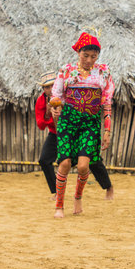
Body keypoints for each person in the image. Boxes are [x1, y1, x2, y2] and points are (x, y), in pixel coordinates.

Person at [50, 32, 114, 219]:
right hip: (68, 121)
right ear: (78, 52)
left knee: (84, 166)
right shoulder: (66, 70)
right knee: (65, 163)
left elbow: (107, 102)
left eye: (93, 56)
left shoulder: (103, 72)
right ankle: (59, 205)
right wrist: (55, 107)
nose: (89, 60)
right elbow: (56, 95)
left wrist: (107, 129)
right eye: (85, 55)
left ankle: (78, 196)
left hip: (90, 122)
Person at [36, 72, 114, 200]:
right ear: (43, 89)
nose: (50, 90)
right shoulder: (41, 102)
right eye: (46, 87)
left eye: (52, 86)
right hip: (56, 134)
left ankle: (108, 187)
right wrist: (49, 115)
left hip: (73, 131)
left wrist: (61, 115)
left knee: (92, 160)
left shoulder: (66, 96)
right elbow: (40, 125)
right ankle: (56, 192)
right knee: (44, 160)